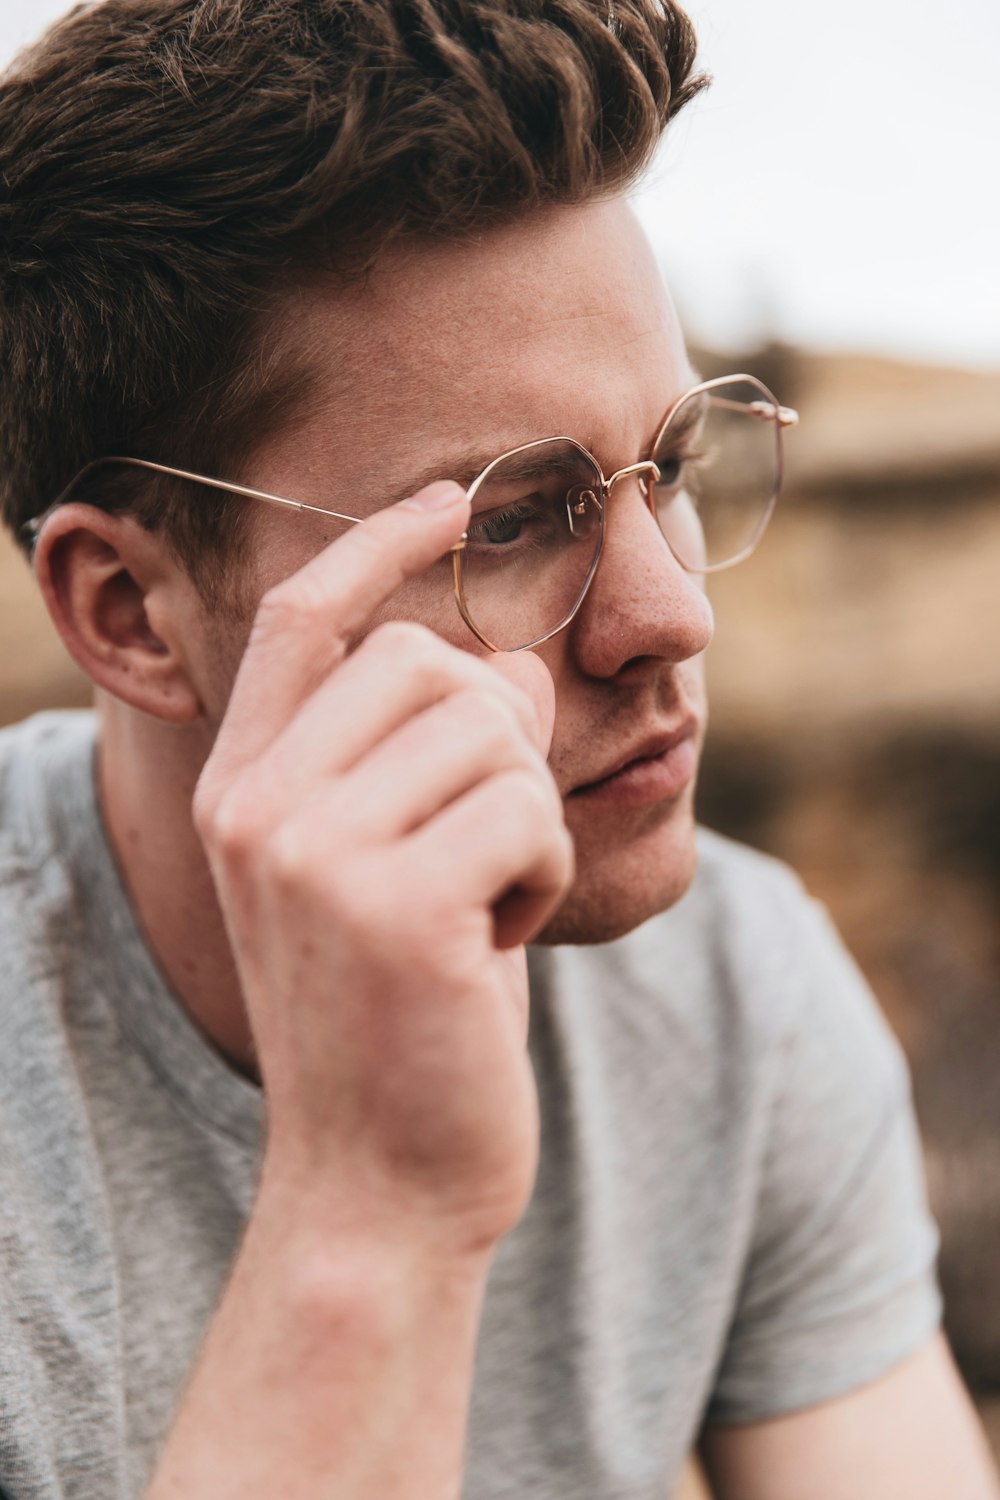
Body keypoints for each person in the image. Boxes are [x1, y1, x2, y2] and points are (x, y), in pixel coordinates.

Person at [0, 2, 996, 1497]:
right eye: (509, 524)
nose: (669, 621)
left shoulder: (735, 992)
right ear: (131, 612)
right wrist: (375, 1206)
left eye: (672, 466)